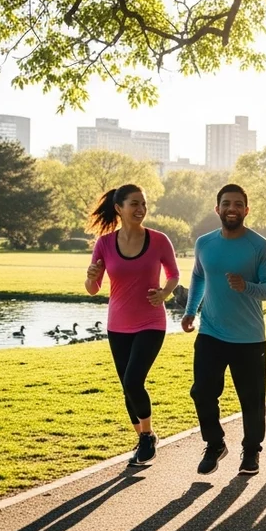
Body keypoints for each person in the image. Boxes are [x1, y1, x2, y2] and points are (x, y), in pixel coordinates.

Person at [183, 184, 266, 476]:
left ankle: (251, 451)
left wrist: (246, 286)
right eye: (227, 204)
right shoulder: (204, 243)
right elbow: (199, 277)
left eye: (238, 204)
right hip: (211, 332)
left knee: (251, 401)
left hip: (249, 338)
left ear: (246, 210)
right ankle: (214, 444)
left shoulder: (259, 246)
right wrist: (190, 311)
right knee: (202, 392)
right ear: (218, 209)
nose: (232, 209)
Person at [85, 184, 180, 466]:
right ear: (119, 208)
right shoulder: (104, 243)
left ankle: (147, 435)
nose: (140, 209)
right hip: (118, 324)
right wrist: (90, 277)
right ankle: (143, 437)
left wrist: (164, 293)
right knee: (127, 387)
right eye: (134, 204)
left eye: (143, 204)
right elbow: (93, 288)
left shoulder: (159, 240)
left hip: (151, 321)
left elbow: (173, 274)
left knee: (132, 380)